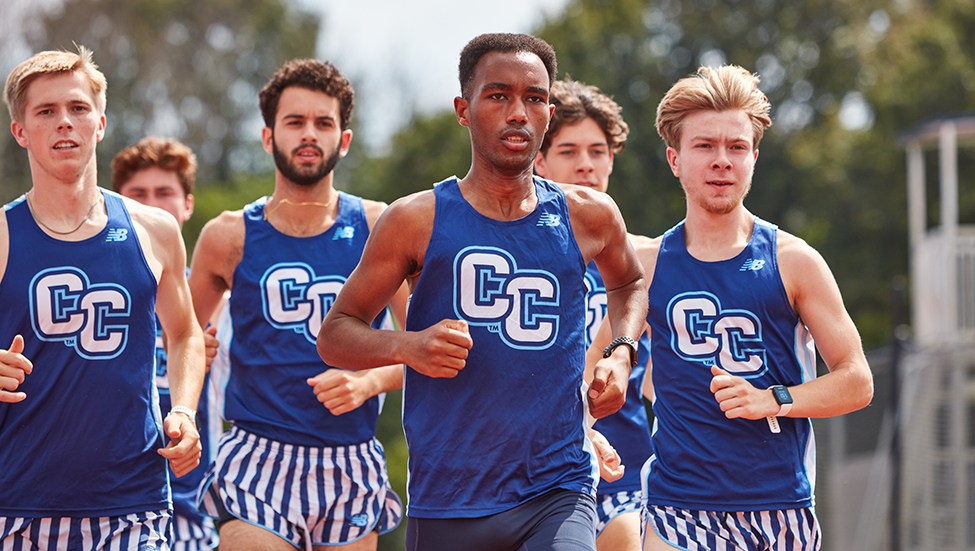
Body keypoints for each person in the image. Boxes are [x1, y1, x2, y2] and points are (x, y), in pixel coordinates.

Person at [317, 33, 648, 551]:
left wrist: (621, 352)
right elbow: (336, 334)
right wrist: (407, 346)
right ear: (463, 110)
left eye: (534, 98)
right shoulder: (415, 219)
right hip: (449, 499)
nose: (518, 112)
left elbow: (629, 283)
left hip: (558, 489)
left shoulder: (590, 215)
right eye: (498, 96)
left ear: (548, 111)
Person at [610, 65, 873, 550]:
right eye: (704, 146)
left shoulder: (794, 261)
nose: (721, 161)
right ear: (674, 158)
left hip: (782, 507)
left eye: (735, 148)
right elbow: (594, 365)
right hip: (677, 508)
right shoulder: (644, 267)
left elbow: (857, 379)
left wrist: (773, 398)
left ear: (753, 157)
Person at [187, 58, 406, 551]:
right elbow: (174, 339)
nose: (309, 134)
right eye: (295, 122)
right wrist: (191, 349)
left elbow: (431, 350)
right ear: (268, 137)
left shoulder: (381, 227)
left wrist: (371, 379)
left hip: (351, 461)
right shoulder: (227, 236)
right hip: (254, 456)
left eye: (323, 123)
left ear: (343, 140)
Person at [0, 47, 205, 549]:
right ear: (21, 131)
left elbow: (184, 334)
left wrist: (184, 410)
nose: (64, 123)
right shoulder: (3, 234)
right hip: (19, 504)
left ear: (100, 122)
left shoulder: (154, 230)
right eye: (46, 112)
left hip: (134, 504)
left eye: (77, 108)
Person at [533, 77, 652, 551]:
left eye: (598, 151)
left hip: (627, 467)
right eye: (569, 151)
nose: (586, 164)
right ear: (539, 160)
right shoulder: (515, 264)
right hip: (536, 466)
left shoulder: (646, 261)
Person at [112, 136, 222, 551]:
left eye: (165, 193)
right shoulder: (87, 296)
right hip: (102, 508)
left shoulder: (224, 306)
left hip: (191, 515)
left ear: (188, 205)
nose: (152, 205)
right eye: (138, 194)